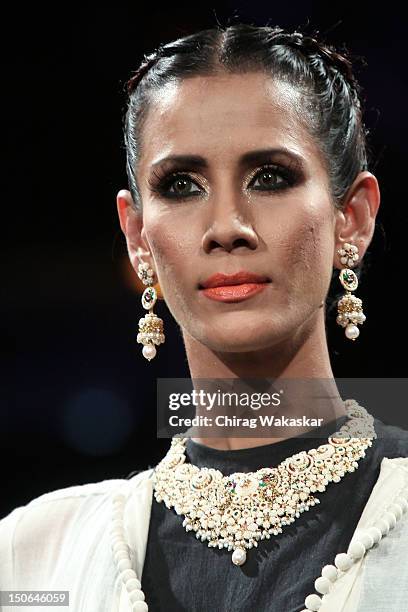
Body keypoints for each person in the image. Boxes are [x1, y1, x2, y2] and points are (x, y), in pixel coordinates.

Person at [1, 22, 408, 612]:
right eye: (182, 185)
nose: (226, 228)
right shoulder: (36, 556)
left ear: (353, 217)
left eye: (271, 178)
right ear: (137, 236)